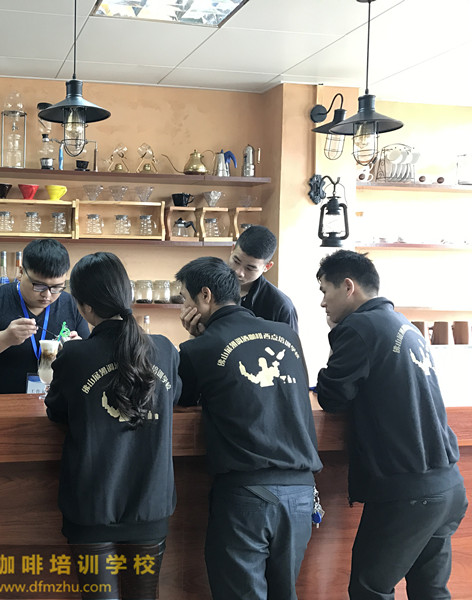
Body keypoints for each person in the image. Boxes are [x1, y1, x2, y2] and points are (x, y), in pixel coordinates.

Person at [315, 250, 467, 600]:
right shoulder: (404, 324)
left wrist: (333, 349)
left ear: (348, 286)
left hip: (408, 491)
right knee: (431, 590)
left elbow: (333, 397)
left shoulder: (359, 328)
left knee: (370, 589)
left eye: (325, 291)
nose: (323, 302)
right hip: (446, 486)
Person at [175, 256, 321, 600]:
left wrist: (199, 341)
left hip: (247, 494)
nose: (183, 307)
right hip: (301, 493)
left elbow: (184, 402)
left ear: (205, 296)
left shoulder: (197, 349)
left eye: (184, 298)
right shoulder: (287, 335)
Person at [45, 252, 181, 600]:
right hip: (150, 505)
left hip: (92, 506)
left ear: (85, 307)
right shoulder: (165, 350)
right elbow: (174, 398)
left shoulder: (75, 356)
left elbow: (56, 411)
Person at [0, 239, 89, 394]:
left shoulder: (71, 304)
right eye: (39, 286)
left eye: (56, 287)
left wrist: (77, 349)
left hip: (57, 402)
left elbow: (88, 359)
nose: (47, 295)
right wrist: (5, 338)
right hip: (2, 401)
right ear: (21, 272)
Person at [181, 225, 298, 337]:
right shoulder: (209, 288)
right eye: (236, 261)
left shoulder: (280, 306)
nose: (238, 272)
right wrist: (198, 335)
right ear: (232, 249)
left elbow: (290, 348)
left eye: (250, 268)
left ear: (267, 267)